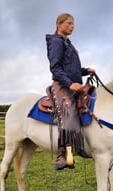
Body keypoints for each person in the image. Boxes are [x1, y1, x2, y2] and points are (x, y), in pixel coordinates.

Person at [46, 13, 95, 170]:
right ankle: (61, 154)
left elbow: (72, 69)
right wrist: (69, 83)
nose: (72, 26)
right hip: (62, 85)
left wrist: (85, 71)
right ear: (59, 24)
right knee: (68, 112)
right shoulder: (56, 42)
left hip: (73, 84)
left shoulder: (68, 44)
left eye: (73, 24)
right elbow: (55, 68)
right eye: (68, 23)